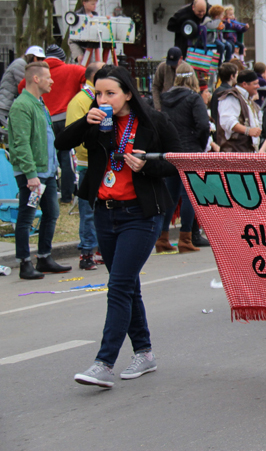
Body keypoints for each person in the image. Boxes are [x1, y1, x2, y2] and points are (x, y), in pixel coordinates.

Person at [57, 65, 181, 388]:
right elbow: (62, 143)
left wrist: (149, 164)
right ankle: (144, 352)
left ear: (128, 93)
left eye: (110, 93)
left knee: (119, 286)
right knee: (126, 284)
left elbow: (180, 160)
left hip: (141, 214)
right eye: (98, 93)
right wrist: (87, 121)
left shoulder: (153, 120)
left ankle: (104, 363)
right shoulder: (99, 121)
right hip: (105, 212)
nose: (103, 99)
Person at [8, 62, 70, 280]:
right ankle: (24, 262)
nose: (52, 80)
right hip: (32, 174)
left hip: (47, 171)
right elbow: (21, 143)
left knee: (51, 213)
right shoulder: (22, 105)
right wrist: (30, 174)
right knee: (26, 217)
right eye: (48, 77)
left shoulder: (39, 103)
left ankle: (44, 257)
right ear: (36, 79)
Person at [16, 45, 86, 205]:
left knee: (45, 156)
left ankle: (46, 195)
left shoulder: (40, 73)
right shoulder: (73, 69)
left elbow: (21, 87)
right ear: (62, 58)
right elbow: (90, 77)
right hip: (66, 118)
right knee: (66, 156)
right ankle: (67, 196)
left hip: (46, 118)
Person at [159, 64, 208, 252]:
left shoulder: (165, 99)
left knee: (171, 194)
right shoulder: (193, 98)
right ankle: (185, 238)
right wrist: (200, 144)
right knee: (189, 195)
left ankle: (162, 237)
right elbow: (203, 125)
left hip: (172, 151)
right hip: (190, 150)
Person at [65, 61, 106, 270]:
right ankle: (87, 252)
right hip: (88, 164)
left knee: (100, 209)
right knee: (88, 209)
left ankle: (99, 249)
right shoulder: (81, 100)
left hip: (101, 163)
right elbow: (76, 133)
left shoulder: (100, 99)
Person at [216, 69, 263, 152]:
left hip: (247, 152)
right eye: (255, 83)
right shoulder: (231, 97)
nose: (258, 86)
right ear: (244, 84)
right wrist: (248, 130)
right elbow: (227, 121)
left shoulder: (248, 100)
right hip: (234, 153)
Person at [0, 45, 45, 126]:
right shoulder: (20, 64)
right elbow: (27, 85)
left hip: (7, 105)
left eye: (42, 59)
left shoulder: (24, 65)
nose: (40, 62)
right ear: (32, 57)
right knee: (10, 133)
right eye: (38, 59)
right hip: (5, 107)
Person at [209, 62, 238, 128]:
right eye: (236, 74)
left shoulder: (216, 91)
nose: (237, 76)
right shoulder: (229, 93)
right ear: (232, 76)